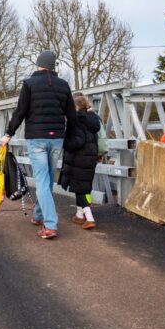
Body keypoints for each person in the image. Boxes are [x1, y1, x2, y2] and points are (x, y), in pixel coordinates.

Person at [1, 50, 76, 239]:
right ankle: (38, 214)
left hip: (37, 138)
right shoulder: (64, 85)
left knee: (43, 181)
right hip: (56, 138)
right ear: (53, 65)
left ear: (39, 64)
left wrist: (9, 133)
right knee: (48, 180)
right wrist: (69, 136)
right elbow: (71, 115)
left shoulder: (29, 84)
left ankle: (50, 225)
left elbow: (20, 112)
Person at [59, 92, 102, 230]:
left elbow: (78, 141)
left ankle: (89, 218)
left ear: (76, 106)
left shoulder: (77, 120)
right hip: (90, 158)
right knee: (81, 187)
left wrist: (64, 142)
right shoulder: (93, 119)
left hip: (79, 158)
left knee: (80, 190)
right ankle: (79, 215)